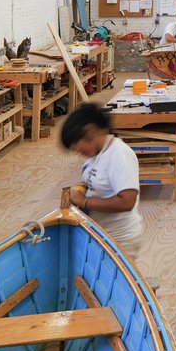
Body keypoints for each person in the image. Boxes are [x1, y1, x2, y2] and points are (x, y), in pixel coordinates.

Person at [60, 103, 145, 254]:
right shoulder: (95, 153)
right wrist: (81, 188)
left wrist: (84, 201)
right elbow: (93, 180)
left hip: (120, 241)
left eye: (76, 145)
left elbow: (127, 201)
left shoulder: (119, 156)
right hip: (101, 235)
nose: (77, 151)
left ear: (90, 131)